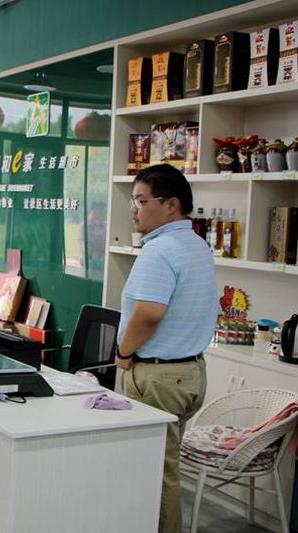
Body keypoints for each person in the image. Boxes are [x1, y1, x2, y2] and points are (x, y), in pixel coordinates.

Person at [114, 164, 217, 533]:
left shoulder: (159, 250)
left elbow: (149, 314)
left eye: (142, 201)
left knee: (155, 473)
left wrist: (124, 352)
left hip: (158, 377)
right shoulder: (196, 245)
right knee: (165, 468)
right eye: (133, 201)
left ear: (172, 205)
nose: (134, 209)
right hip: (190, 373)